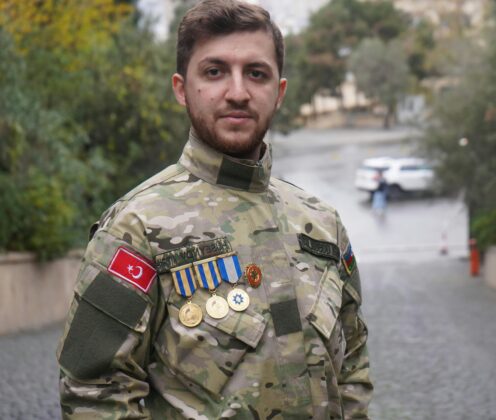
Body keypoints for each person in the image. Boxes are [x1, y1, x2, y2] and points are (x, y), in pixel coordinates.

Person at [56, 1, 373, 418]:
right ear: (181, 88)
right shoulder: (137, 227)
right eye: (214, 71)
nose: (237, 92)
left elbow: (352, 365)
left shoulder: (322, 224)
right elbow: (93, 390)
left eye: (256, 73)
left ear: (279, 92)